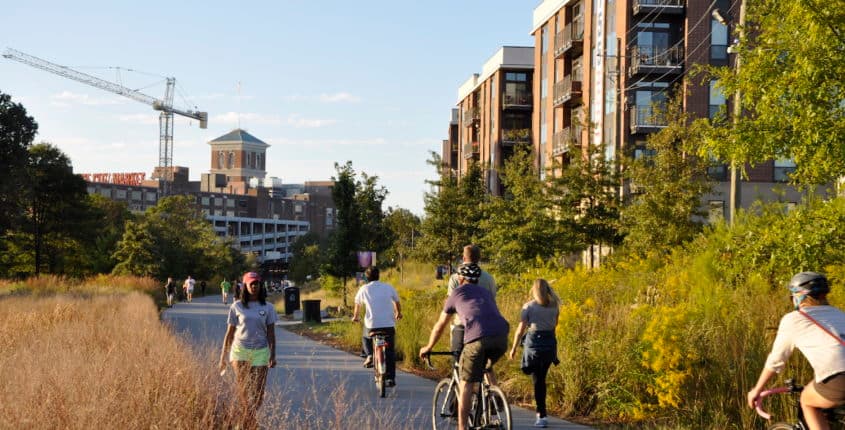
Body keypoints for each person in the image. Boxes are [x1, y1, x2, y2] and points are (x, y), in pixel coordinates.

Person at [747, 272, 845, 430]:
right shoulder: (840, 314)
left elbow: (776, 361)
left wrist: (756, 390)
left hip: (839, 380)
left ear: (799, 296)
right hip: (837, 379)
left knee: (807, 401)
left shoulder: (794, 319)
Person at [420, 263, 509, 430]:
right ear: (477, 279)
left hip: (477, 338)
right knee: (485, 367)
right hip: (502, 337)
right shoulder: (486, 293)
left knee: (466, 383)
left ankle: (462, 428)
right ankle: (492, 399)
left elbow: (440, 324)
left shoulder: (457, 293)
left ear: (460, 278)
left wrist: (429, 346)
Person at [219, 272, 278, 430]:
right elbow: (229, 333)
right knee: (244, 389)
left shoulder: (268, 307)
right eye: (251, 283)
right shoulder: (236, 306)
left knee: (258, 393)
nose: (254, 286)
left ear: (261, 285)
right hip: (240, 351)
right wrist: (222, 357)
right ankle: (251, 423)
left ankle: (247, 419)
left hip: (261, 351)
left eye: (257, 283)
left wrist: (273, 355)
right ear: (245, 286)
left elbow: (271, 333)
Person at [508, 279, 561, 428]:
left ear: (534, 290)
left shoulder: (529, 307)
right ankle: (541, 412)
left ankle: (541, 415)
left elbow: (520, 330)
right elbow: (554, 325)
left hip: (534, 346)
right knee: (541, 379)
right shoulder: (554, 306)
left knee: (537, 381)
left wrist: (513, 348)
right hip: (549, 345)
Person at [352, 266, 402, 387]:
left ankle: (369, 354)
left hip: (372, 325)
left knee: (365, 336)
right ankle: (390, 378)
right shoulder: (388, 287)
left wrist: (355, 317)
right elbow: (396, 301)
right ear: (379, 275)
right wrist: (398, 313)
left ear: (366, 277)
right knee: (389, 351)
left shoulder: (363, 289)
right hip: (388, 325)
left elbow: (357, 305)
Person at [447, 244, 497, 360]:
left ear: (464, 258)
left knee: (457, 359)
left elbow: (450, 305)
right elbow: (492, 300)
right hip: (484, 327)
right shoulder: (489, 278)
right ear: (479, 259)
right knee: (481, 362)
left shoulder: (456, 278)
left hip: (462, 325)